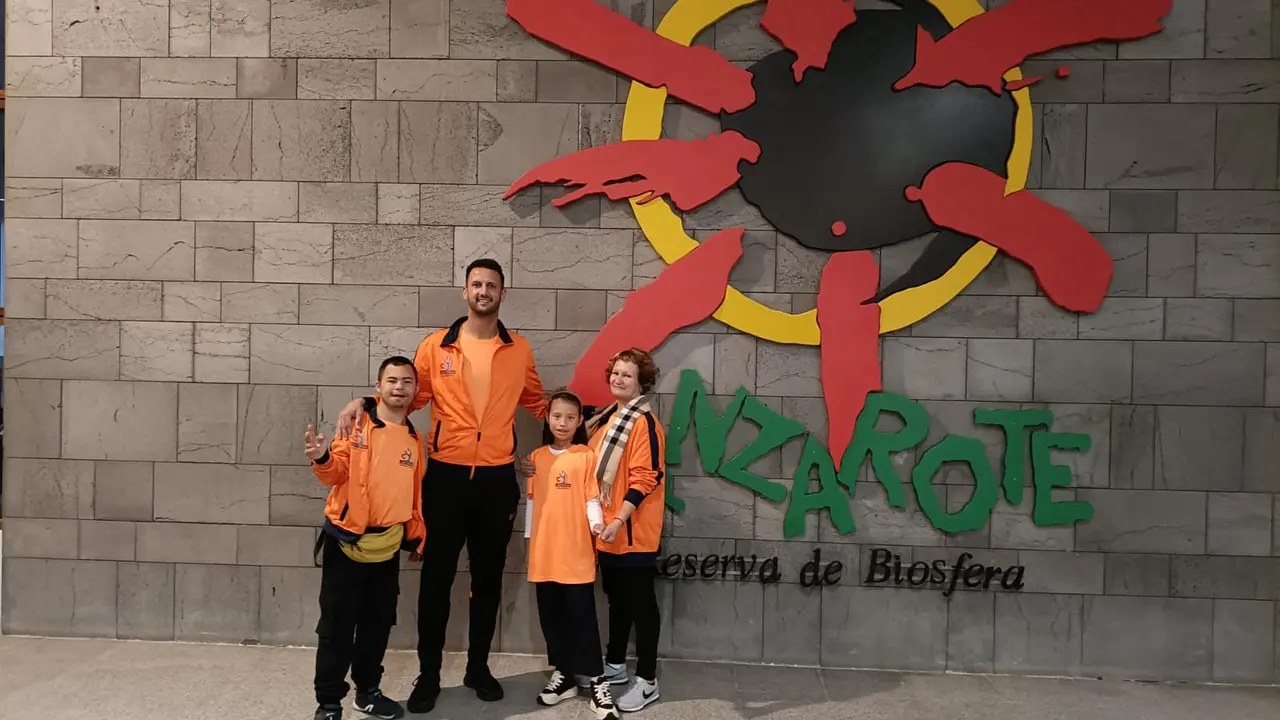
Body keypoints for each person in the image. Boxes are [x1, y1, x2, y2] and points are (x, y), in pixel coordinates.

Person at [334, 258, 548, 713]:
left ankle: (477, 668)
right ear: (465, 292)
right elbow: (409, 395)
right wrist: (365, 400)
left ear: (502, 294)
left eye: (491, 285)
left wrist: (587, 430)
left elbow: (539, 404)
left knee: (488, 581)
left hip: (495, 480)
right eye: (476, 284)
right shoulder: (436, 347)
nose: (483, 291)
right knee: (436, 581)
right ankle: (428, 675)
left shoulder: (519, 351)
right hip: (445, 478)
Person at [306, 356, 427, 720]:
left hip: (386, 548)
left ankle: (368, 692)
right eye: (392, 381)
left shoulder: (413, 439)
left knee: (376, 627)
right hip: (346, 545)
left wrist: (417, 538)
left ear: (415, 391)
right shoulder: (358, 425)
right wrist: (322, 457)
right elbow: (336, 473)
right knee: (336, 629)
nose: (399, 388)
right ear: (378, 387)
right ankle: (328, 703)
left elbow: (414, 494)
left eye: (407, 381)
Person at [524, 390, 619, 719]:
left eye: (569, 417)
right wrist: (529, 539)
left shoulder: (585, 456)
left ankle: (596, 680)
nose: (562, 423)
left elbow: (591, 497)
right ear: (547, 419)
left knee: (582, 619)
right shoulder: (536, 458)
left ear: (580, 421)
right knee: (551, 617)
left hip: (576, 552)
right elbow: (533, 503)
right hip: (543, 553)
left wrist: (596, 526)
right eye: (556, 416)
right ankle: (564, 674)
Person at [585, 349, 669, 712]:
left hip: (632, 531)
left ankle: (648, 681)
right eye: (616, 373)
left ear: (641, 383)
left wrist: (620, 518)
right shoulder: (608, 419)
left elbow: (647, 476)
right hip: (608, 533)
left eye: (627, 375)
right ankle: (616, 664)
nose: (619, 379)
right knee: (617, 600)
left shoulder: (644, 423)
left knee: (642, 606)